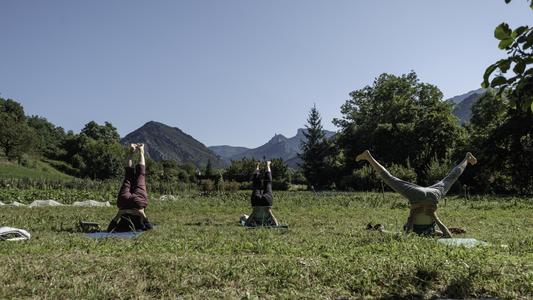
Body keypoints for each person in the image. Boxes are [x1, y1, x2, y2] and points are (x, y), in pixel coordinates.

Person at [356, 150, 477, 238]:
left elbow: (445, 234)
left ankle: (466, 158)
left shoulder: (429, 230)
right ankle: (368, 157)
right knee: (390, 179)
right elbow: (446, 236)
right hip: (423, 196)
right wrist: (432, 217)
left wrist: (414, 217)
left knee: (450, 178)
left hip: (432, 195)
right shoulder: (427, 231)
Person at [107, 143, 153, 232]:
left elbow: (109, 230)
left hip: (137, 204)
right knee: (128, 175)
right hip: (124, 204)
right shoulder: (123, 228)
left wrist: (120, 214)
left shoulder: (138, 228)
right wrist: (120, 213)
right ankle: (132, 152)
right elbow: (150, 229)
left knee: (140, 175)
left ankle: (141, 151)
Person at [243, 161, 279, 227]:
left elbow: (245, 224)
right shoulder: (254, 222)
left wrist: (254, 212)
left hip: (265, 203)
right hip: (257, 203)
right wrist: (269, 212)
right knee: (257, 185)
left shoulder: (255, 222)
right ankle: (259, 166)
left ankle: (266, 165)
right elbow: (276, 225)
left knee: (268, 183)